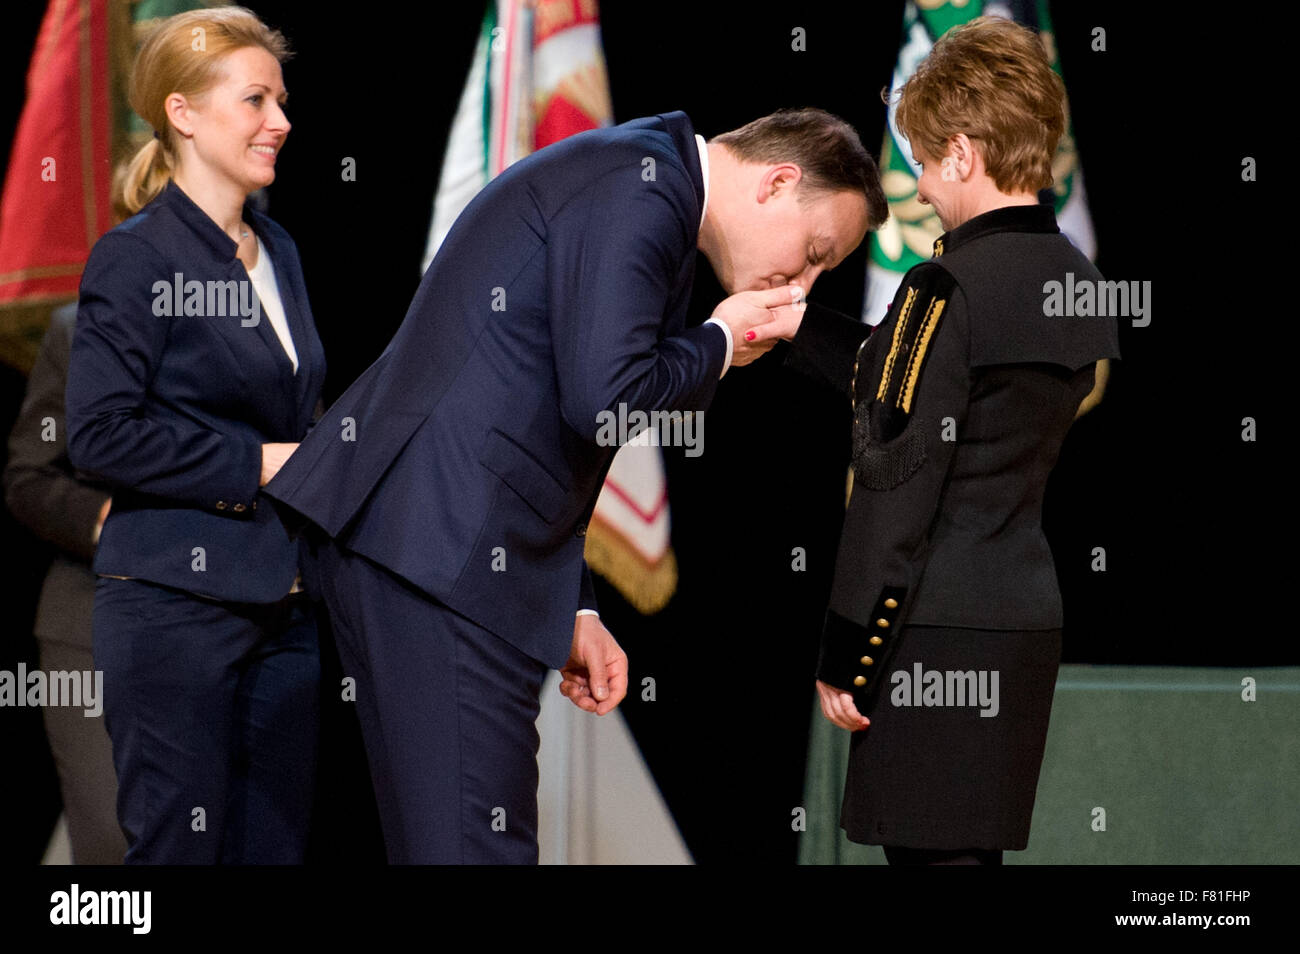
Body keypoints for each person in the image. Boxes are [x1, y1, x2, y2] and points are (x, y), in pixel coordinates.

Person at [264, 107, 886, 863]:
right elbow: (606, 401)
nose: (806, 283)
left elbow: (551, 410)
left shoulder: (644, 178)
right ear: (778, 181)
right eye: (815, 252)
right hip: (443, 551)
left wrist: (576, 602)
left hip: (436, 546)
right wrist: (720, 340)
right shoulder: (644, 189)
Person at [775, 16, 1121, 864]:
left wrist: (845, 647)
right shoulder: (1080, 285)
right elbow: (910, 373)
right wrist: (795, 325)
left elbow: (897, 480)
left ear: (964, 154)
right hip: (1023, 624)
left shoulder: (944, 288)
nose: (922, 187)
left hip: (930, 636)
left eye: (927, 162)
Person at [65, 7, 327, 863]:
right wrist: (258, 463)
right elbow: (99, 437)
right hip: (174, 609)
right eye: (256, 100)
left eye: (281, 100)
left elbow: (294, 412)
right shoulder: (134, 257)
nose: (280, 121)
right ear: (182, 113)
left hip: (285, 610)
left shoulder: (279, 248)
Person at [5, 302, 124, 864]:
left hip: (239, 626)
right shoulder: (80, 328)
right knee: (112, 839)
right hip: (93, 620)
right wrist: (111, 522)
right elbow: (29, 477)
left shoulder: (270, 326)